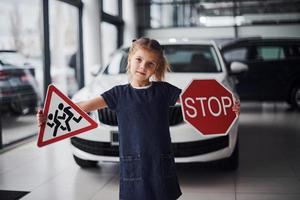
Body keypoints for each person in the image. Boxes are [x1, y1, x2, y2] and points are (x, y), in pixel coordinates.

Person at [37, 37, 240, 200]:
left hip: (161, 160)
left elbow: (198, 102)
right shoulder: (118, 93)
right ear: (130, 59)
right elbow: (85, 105)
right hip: (132, 161)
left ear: (156, 68)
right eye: (139, 60)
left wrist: (229, 107)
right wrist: (50, 116)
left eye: (150, 63)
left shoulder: (164, 91)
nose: (143, 66)